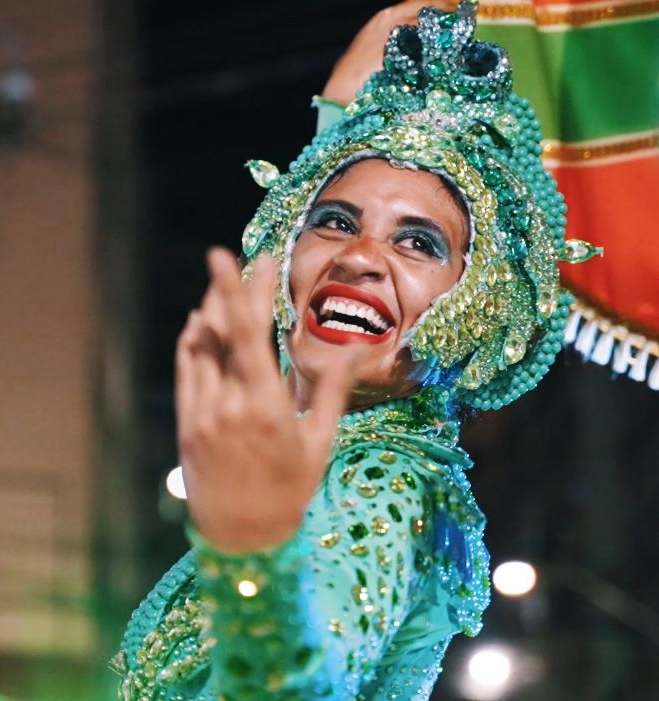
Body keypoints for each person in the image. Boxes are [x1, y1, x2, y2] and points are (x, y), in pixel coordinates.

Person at [112, 2, 595, 698]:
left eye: (417, 242)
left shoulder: (391, 483)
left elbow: (304, 678)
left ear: (477, 303)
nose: (360, 256)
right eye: (335, 223)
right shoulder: (328, 441)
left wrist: (253, 562)